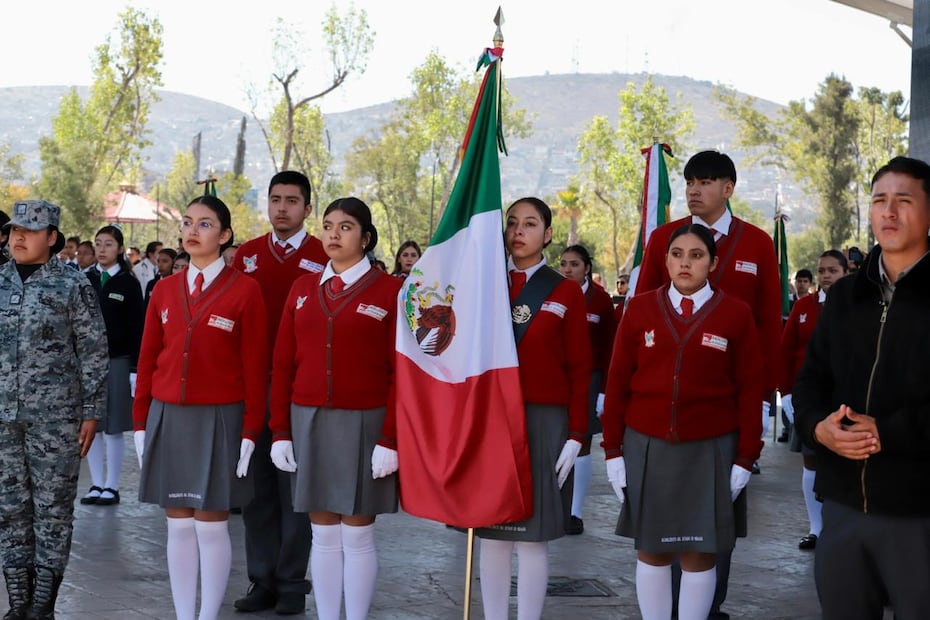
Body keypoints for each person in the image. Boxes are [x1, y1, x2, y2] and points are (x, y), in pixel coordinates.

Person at [635, 150, 779, 617]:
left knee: (716, 521)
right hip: (666, 408)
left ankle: (706, 607)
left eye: (707, 181)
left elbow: (768, 324)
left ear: (729, 188)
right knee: (662, 522)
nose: (695, 190)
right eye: (690, 181)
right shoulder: (663, 239)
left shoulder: (757, 243)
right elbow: (640, 318)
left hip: (730, 407)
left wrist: (764, 400)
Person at [602, 224, 762, 620]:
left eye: (696, 255)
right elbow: (617, 382)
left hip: (711, 448)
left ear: (713, 262)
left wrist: (744, 458)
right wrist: (613, 452)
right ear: (665, 259)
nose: (685, 262)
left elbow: (750, 392)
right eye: (677, 254)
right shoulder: (638, 309)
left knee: (699, 552)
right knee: (651, 550)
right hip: (647, 445)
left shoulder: (736, 314)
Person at [794, 156, 930, 619]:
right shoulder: (844, 298)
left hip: (917, 512)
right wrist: (818, 428)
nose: (889, 212)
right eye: (879, 201)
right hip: (844, 506)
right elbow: (810, 380)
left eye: (904, 201)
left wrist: (886, 433)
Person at [133, 195, 269, 620]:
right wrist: (140, 422)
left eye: (206, 224)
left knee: (210, 525)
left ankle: (207, 614)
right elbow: (148, 357)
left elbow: (255, 369)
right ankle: (182, 615)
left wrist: (249, 432)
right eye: (188, 222)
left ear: (226, 235)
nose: (193, 231)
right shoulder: (165, 289)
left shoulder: (246, 291)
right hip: (169, 415)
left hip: (220, 419)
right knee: (177, 525)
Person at [269, 196, 401, 620]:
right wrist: (280, 431)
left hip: (366, 424)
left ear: (366, 238)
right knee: (323, 534)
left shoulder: (391, 291)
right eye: (328, 225)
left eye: (345, 227)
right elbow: (283, 363)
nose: (333, 234)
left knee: (358, 534)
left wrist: (389, 438)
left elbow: (402, 372)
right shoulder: (303, 288)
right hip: (308, 421)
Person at [476, 197, 590, 620]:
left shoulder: (564, 291)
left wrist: (577, 435)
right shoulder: (483, 285)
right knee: (492, 535)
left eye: (529, 223)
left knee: (532, 536)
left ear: (548, 234)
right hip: (492, 419)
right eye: (511, 223)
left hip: (544, 421)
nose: (518, 231)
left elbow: (581, 368)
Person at [0, 200, 108, 619]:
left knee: (52, 510)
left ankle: (43, 603)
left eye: (30, 230)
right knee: (9, 509)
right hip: (5, 419)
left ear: (52, 237)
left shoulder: (72, 284)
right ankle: (18, 602)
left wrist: (91, 410)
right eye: (14, 230)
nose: (19, 237)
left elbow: (94, 351)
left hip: (56, 420)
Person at [231, 170, 327, 614]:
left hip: (301, 389)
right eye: (275, 199)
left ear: (308, 208)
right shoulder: (246, 256)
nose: (282, 208)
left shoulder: (325, 255)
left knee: (297, 489)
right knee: (256, 489)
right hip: (253, 387)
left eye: (292, 200)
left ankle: (292, 582)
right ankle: (262, 579)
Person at [780, 250, 848, 551]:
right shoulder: (804, 307)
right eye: (822, 271)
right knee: (810, 461)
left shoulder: (857, 305)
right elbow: (786, 349)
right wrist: (787, 394)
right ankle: (816, 528)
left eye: (833, 270)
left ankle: (842, 529)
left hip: (846, 400)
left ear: (845, 273)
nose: (825, 276)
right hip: (809, 401)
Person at [79, 226, 144, 507]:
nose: (102, 249)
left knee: (114, 425)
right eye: (98, 244)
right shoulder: (84, 279)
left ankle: (112, 485)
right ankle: (95, 483)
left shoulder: (128, 284)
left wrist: (134, 367)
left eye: (108, 244)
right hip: (86, 362)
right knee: (91, 423)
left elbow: (137, 328)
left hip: (117, 361)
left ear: (119, 248)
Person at [558, 244, 615, 535]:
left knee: (582, 443)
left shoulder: (601, 301)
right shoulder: (552, 292)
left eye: (574, 264)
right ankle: (553, 505)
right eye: (564, 263)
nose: (568, 269)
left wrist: (605, 390)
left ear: (587, 268)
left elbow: (609, 350)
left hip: (590, 379)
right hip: (557, 377)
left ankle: (574, 512)